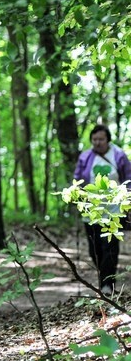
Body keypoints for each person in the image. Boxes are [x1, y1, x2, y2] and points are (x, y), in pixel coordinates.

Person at [73, 124, 131, 295]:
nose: (97, 143)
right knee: (95, 250)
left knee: (110, 247)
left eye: (101, 139)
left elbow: (129, 178)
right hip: (91, 210)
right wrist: (76, 196)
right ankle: (104, 279)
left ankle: (107, 285)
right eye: (94, 139)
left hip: (114, 210)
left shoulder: (119, 155)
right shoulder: (85, 157)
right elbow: (77, 178)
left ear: (108, 140)